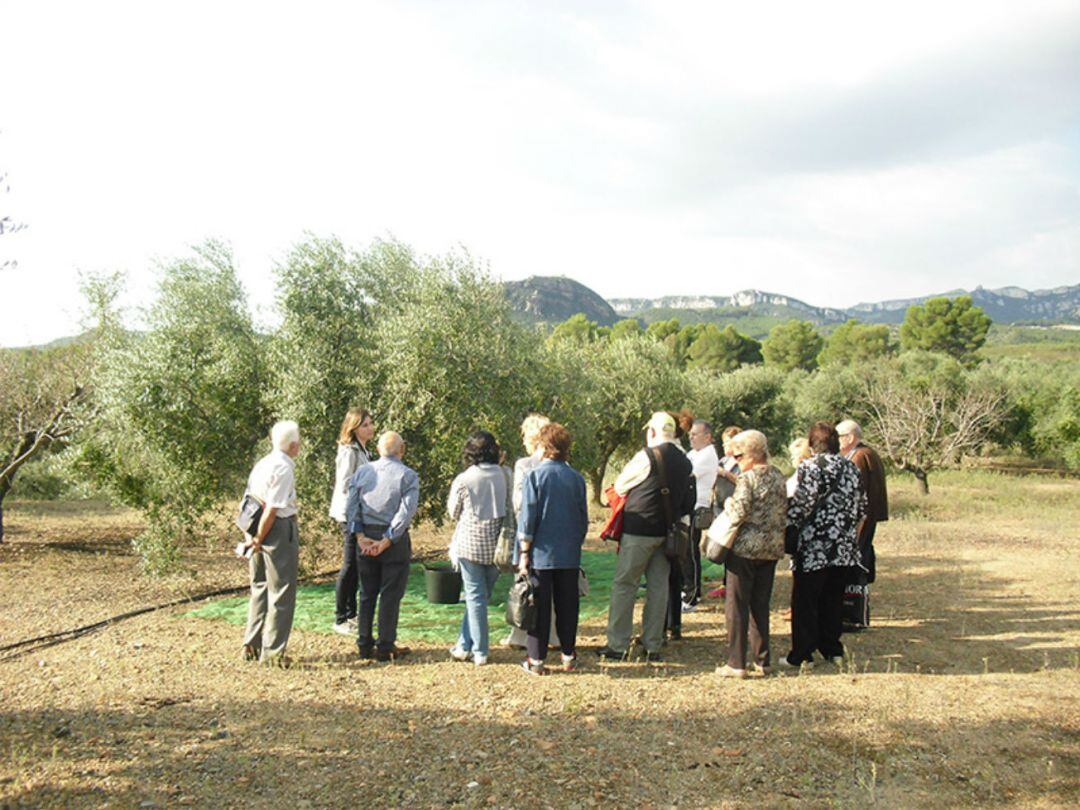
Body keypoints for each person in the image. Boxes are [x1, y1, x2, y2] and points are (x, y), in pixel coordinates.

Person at [598, 412, 695, 662]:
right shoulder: (685, 461)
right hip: (668, 532)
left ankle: (618, 645)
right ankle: (653, 645)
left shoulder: (647, 456)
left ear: (651, 432)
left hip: (639, 531)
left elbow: (620, 486)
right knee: (658, 588)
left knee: (625, 585)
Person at [782, 421, 866, 668]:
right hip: (843, 548)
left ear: (811, 444)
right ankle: (833, 649)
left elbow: (802, 506)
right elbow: (862, 508)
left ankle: (803, 655)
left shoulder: (809, 467)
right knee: (833, 599)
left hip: (813, 547)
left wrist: (787, 524)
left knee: (806, 601)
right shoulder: (851, 468)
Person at [515, 423, 589, 675]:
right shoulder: (577, 478)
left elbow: (528, 519)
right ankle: (568, 655)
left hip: (540, 553)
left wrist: (524, 553)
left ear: (544, 446)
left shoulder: (535, 476)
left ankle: (536, 660)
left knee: (540, 607)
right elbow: (582, 519)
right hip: (568, 552)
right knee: (568, 605)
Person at [713, 430, 788, 678]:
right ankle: (762, 659)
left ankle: (736, 663)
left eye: (739, 455)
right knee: (760, 604)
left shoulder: (748, 478)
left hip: (745, 549)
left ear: (753, 454)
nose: (736, 460)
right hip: (771, 548)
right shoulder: (779, 476)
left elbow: (739, 512)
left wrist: (727, 504)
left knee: (737, 606)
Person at [345, 431, 419, 662]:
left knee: (366, 592)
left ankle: (364, 643)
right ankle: (385, 645)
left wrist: (359, 536)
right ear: (402, 450)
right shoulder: (408, 476)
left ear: (378, 450)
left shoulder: (363, 472)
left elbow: (352, 506)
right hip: (393, 541)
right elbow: (405, 512)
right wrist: (387, 539)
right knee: (390, 593)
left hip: (366, 535)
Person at [242, 420, 302, 666]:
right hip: (276, 530)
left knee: (259, 586)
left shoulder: (262, 463)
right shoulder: (284, 468)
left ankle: (251, 644)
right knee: (281, 590)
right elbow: (273, 509)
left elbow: (248, 500)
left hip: (254, 526)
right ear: (293, 445)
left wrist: (250, 535)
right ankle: (273, 654)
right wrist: (259, 538)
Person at [447, 431, 509, 666]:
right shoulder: (505, 475)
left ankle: (481, 650)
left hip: (470, 544)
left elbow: (453, 512)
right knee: (480, 598)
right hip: (498, 545)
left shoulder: (465, 478)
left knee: (475, 598)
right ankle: (463, 646)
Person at [505, 413, 559, 650]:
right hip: (554, 531)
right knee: (552, 585)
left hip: (529, 530)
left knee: (525, 584)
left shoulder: (524, 465)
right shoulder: (561, 464)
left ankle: (520, 635)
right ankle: (554, 635)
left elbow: (519, 501)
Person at [668, 419, 719, 637]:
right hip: (690, 506)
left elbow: (686, 474)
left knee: (690, 552)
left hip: (697, 507)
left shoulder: (707, 455)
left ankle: (692, 595)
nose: (692, 438)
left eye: (695, 435)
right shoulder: (695, 453)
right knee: (686, 552)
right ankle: (686, 590)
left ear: (707, 436)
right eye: (690, 435)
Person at [329, 407, 374, 636]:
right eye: (365, 424)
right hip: (349, 513)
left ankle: (351, 615)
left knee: (356, 565)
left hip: (359, 512)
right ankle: (340, 617)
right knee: (349, 565)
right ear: (354, 427)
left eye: (370, 423)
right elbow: (346, 483)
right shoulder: (349, 451)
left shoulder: (363, 450)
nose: (371, 428)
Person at [836, 419, 888, 585]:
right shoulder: (867, 453)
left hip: (861, 518)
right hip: (867, 516)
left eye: (838, 436)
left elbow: (854, 492)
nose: (835, 441)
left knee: (858, 556)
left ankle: (854, 594)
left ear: (850, 438)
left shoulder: (859, 457)